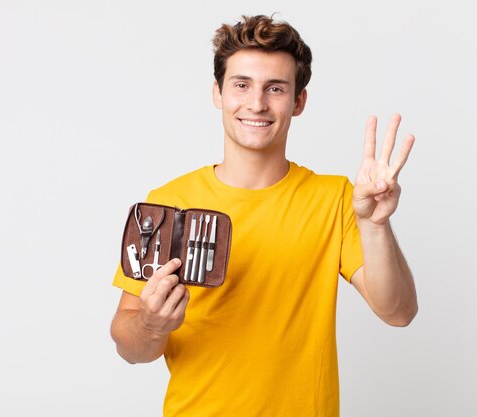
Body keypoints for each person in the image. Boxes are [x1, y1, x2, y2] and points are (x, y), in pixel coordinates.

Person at [110, 14, 417, 416]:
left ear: (298, 101)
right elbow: (129, 345)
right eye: (242, 85)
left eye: (275, 88)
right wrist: (151, 325)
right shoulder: (169, 202)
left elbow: (398, 312)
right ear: (218, 93)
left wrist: (375, 226)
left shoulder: (335, 199)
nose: (256, 103)